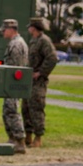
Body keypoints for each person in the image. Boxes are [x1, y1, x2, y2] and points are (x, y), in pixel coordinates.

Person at [23, 17, 57, 148]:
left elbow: (52, 58)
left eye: (30, 26)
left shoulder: (44, 41)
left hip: (38, 82)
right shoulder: (34, 41)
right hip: (30, 81)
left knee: (36, 108)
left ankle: (38, 138)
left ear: (34, 27)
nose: (28, 29)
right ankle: (28, 136)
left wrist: (41, 72)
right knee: (26, 108)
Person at [0, 19, 28, 154]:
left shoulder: (16, 45)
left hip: (13, 84)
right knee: (8, 110)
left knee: (12, 111)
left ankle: (19, 141)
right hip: (11, 83)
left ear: (11, 30)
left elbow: (15, 67)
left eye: (4, 30)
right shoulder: (16, 43)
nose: (3, 33)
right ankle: (13, 139)